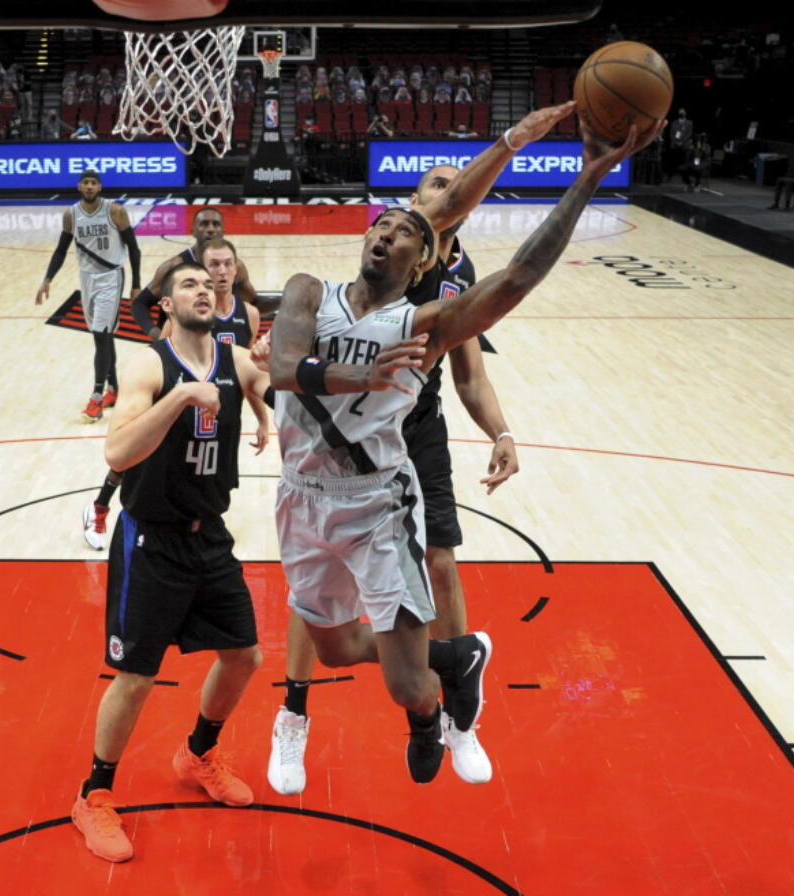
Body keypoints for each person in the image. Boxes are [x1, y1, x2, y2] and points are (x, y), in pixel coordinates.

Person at [264, 109, 661, 787]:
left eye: (408, 233)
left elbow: (513, 280)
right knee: (332, 653)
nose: (390, 232)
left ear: (429, 260)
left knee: (402, 682)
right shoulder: (308, 289)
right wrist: (356, 374)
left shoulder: (426, 323)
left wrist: (588, 180)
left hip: (374, 507)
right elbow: (282, 367)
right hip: (299, 500)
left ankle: (431, 711)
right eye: (383, 224)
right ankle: (454, 658)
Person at [69, 260, 271, 864]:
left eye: (209, 285)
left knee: (244, 656)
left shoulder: (233, 358)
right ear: (164, 304)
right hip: (150, 541)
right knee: (136, 677)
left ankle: (197, 754)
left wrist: (264, 406)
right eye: (189, 284)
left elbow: (267, 383)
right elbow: (118, 450)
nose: (204, 290)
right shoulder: (149, 364)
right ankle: (93, 794)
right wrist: (181, 396)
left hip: (209, 535)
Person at [83, 237, 266, 551]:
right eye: (211, 268)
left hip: (217, 411)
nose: (218, 275)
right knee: (138, 456)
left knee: (205, 465)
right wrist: (178, 392)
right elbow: (166, 358)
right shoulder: (168, 339)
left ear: (236, 271)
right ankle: (101, 505)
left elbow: (251, 375)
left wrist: (263, 418)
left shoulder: (247, 314)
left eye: (226, 266)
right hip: (169, 417)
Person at [35, 169, 142, 423]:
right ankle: (113, 389)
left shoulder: (115, 211)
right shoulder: (71, 214)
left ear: (100, 187)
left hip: (111, 277)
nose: (90, 186)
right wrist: (47, 279)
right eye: (86, 182)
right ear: (79, 186)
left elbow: (134, 248)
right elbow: (61, 250)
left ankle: (96, 397)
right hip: (86, 279)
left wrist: (136, 284)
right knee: (103, 335)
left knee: (100, 335)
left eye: (94, 183)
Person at [129, 206, 261, 344]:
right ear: (193, 231)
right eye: (204, 224)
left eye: (216, 224)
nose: (210, 229)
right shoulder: (174, 267)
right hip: (179, 338)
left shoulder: (236, 267)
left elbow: (254, 302)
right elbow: (139, 304)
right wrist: (158, 335)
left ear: (223, 231)